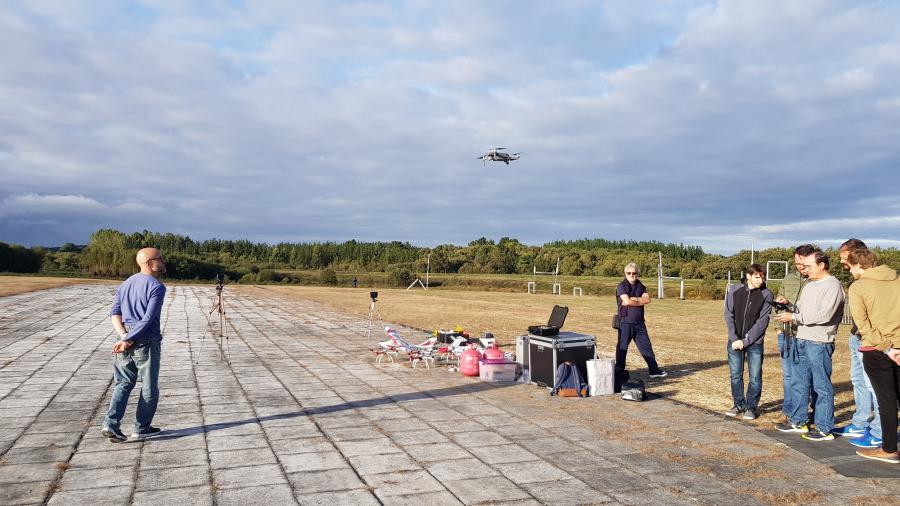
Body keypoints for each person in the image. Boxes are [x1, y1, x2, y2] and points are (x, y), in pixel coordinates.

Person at [775, 247, 845, 441]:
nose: (804, 269)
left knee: (821, 386)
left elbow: (825, 315)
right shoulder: (810, 285)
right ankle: (798, 421)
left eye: (808, 266)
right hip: (801, 339)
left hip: (819, 342)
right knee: (798, 382)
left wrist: (794, 317)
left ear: (821, 265)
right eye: (803, 266)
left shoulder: (833, 285)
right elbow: (801, 310)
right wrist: (788, 306)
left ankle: (824, 428)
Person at [101, 248, 167, 443]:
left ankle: (110, 424)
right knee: (149, 387)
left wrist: (123, 335)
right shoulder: (157, 287)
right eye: (160, 258)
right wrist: (127, 338)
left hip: (125, 337)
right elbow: (147, 319)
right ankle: (141, 428)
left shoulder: (126, 283)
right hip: (145, 341)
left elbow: (115, 313)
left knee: (123, 383)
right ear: (150, 263)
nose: (163, 261)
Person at [846, 248, 900, 463]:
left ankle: (888, 449)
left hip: (877, 350)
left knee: (886, 401)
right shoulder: (897, 280)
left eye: (850, 267)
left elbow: (863, 324)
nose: (850, 272)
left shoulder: (858, 287)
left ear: (858, 265)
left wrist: (886, 348)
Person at [832, 239, 883, 448]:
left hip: (870, 340)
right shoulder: (857, 281)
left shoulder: (875, 281)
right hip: (856, 336)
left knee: (874, 386)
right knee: (858, 381)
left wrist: (872, 338)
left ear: (856, 255)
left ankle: (879, 430)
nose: (841, 261)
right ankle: (860, 422)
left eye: (843, 257)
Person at [724, 264, 773, 420]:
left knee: (755, 377)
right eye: (757, 277)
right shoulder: (734, 290)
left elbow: (762, 321)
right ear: (748, 276)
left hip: (754, 343)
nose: (761, 280)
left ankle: (751, 407)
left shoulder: (767, 294)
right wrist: (734, 338)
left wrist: (746, 341)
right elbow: (728, 314)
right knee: (735, 375)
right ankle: (738, 404)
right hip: (734, 341)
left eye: (763, 277)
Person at [772, 247, 812, 425]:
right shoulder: (788, 278)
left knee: (807, 376)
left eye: (803, 263)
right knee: (788, 375)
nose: (800, 266)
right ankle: (788, 411)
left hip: (806, 334)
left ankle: (810, 412)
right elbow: (779, 303)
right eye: (797, 263)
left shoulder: (816, 280)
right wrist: (778, 327)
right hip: (786, 333)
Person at [615, 262, 667, 387]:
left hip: (639, 323)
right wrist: (639, 300)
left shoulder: (641, 286)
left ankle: (654, 370)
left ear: (637, 273)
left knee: (646, 347)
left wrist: (634, 299)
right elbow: (626, 301)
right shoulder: (622, 286)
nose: (631, 275)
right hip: (625, 322)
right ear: (625, 273)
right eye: (629, 273)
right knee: (622, 348)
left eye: (634, 273)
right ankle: (619, 372)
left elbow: (647, 300)